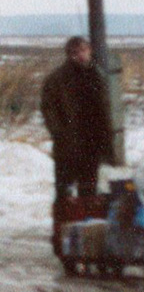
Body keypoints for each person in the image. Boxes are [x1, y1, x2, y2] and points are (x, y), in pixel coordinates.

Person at [41, 36, 114, 202]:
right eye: (74, 52)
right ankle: (63, 226)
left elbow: (105, 109)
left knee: (89, 189)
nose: (80, 55)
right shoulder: (57, 79)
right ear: (68, 55)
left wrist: (105, 139)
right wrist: (60, 133)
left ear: (90, 50)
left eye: (83, 50)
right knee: (64, 191)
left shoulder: (97, 75)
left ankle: (86, 225)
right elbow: (48, 109)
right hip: (69, 142)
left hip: (92, 141)